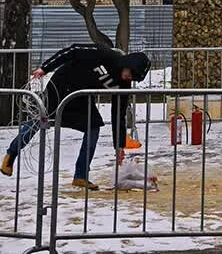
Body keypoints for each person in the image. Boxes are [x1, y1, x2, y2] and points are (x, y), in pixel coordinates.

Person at [1, 44, 151, 190]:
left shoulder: (123, 85)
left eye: (132, 78)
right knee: (40, 119)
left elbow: (119, 112)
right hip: (61, 86)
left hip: (81, 97)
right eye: (130, 73)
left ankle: (81, 175)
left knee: (93, 126)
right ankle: (11, 155)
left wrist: (119, 145)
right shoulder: (106, 55)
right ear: (127, 64)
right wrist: (45, 68)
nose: (128, 78)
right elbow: (73, 50)